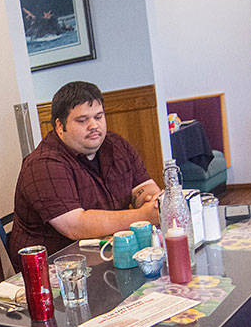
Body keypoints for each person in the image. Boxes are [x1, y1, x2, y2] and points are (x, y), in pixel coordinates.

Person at [9, 80, 160, 256]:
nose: (94, 126)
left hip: (106, 253)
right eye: (82, 120)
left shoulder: (115, 144)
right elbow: (75, 226)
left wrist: (152, 202)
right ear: (60, 126)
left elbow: (144, 187)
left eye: (99, 117)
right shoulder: (43, 164)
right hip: (56, 263)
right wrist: (144, 216)